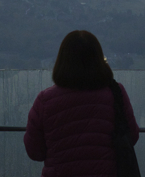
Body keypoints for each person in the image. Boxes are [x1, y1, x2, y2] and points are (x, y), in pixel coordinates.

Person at [24, 30, 139, 177]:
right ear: (98, 59)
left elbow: (34, 152)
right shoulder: (116, 94)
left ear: (62, 61)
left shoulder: (45, 100)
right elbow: (132, 137)